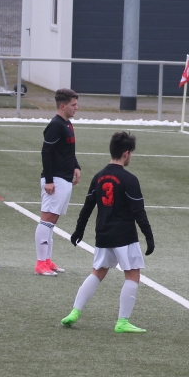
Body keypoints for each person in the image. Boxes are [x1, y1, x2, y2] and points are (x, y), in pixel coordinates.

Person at [62, 131, 154, 333]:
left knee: (98, 272)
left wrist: (79, 230)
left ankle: (74, 312)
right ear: (126, 153)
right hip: (125, 236)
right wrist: (149, 237)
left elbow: (87, 207)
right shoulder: (129, 179)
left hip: (103, 235)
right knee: (132, 274)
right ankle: (122, 322)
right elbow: (139, 212)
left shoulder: (99, 177)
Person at [35, 88, 81, 276]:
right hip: (55, 180)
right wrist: (48, 180)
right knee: (47, 220)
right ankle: (40, 263)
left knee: (52, 221)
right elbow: (46, 152)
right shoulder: (55, 125)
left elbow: (67, 150)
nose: (76, 108)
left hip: (65, 178)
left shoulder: (67, 124)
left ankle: (47, 260)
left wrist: (76, 166)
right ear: (63, 106)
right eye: (73, 105)